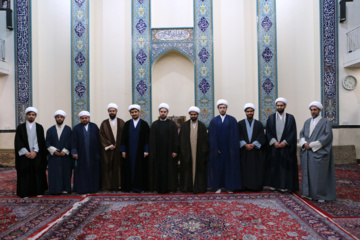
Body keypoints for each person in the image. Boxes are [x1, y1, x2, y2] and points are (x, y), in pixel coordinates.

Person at [299, 101, 336, 202]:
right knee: (308, 173)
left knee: (318, 175)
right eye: (311, 110)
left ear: (319, 110)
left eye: (315, 110)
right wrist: (304, 143)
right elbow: (301, 134)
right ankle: (307, 193)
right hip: (307, 153)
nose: (313, 111)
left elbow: (327, 137)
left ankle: (320, 195)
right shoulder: (307, 122)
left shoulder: (325, 122)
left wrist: (311, 145)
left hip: (318, 152)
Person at [266, 97, 299, 193]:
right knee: (274, 167)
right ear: (276, 106)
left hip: (286, 148)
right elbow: (268, 132)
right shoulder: (271, 118)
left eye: (281, 105)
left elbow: (293, 132)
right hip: (274, 147)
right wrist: (274, 142)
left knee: (284, 167)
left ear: (285, 106)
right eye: (278, 105)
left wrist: (285, 142)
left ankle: (284, 186)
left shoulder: (290, 118)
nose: (279, 107)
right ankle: (274, 185)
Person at [208, 99, 241, 193]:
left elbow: (235, 136)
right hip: (218, 150)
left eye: (224, 108)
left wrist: (231, 149)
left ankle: (229, 187)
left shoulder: (232, 120)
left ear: (226, 108)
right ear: (218, 109)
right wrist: (215, 148)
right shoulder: (214, 121)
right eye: (220, 108)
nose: (222, 109)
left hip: (230, 150)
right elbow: (212, 136)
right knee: (218, 168)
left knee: (229, 168)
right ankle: (218, 187)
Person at [14, 107, 48, 198]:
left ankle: (38, 191)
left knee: (37, 172)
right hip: (24, 156)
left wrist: (35, 151)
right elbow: (18, 141)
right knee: (25, 173)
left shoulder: (39, 127)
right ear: (26, 115)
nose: (31, 116)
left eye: (33, 115)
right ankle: (24, 193)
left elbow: (40, 141)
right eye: (29, 115)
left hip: (36, 155)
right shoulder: (20, 128)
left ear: (35, 116)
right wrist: (26, 152)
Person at [149, 103, 179, 193]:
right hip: (158, 152)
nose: (163, 113)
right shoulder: (154, 124)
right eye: (161, 111)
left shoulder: (172, 124)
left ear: (167, 113)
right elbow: (151, 139)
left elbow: (176, 138)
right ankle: (158, 187)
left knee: (169, 170)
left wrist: (175, 151)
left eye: (164, 112)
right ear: (159, 112)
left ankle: (170, 187)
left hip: (169, 152)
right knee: (158, 170)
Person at [179, 106, 209, 193]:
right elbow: (181, 140)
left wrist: (204, 152)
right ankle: (187, 188)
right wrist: (183, 152)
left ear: (197, 115)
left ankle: (199, 188)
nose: (193, 116)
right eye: (191, 114)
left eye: (194, 114)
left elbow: (205, 141)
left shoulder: (202, 126)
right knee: (187, 170)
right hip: (187, 153)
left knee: (199, 170)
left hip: (199, 153)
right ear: (189, 115)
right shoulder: (184, 126)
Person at [120, 104, 150, 192]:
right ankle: (129, 187)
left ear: (139, 113)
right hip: (129, 152)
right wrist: (123, 151)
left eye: (135, 112)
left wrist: (146, 150)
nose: (134, 114)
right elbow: (123, 138)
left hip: (141, 152)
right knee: (128, 169)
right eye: (132, 112)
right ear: (130, 113)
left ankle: (139, 187)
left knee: (140, 169)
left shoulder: (144, 124)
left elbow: (147, 139)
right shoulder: (127, 124)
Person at [238, 103, 267, 191]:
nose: (249, 113)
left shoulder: (259, 124)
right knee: (244, 169)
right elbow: (238, 135)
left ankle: (255, 186)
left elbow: (261, 136)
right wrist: (245, 144)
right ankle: (244, 186)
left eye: (251, 111)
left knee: (255, 169)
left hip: (255, 151)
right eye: (248, 111)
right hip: (244, 151)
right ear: (245, 112)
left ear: (254, 112)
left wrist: (253, 144)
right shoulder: (240, 124)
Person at [71, 111, 101, 194]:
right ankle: (82, 188)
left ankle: (93, 188)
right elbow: (73, 141)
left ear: (88, 118)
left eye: (86, 118)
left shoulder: (94, 126)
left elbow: (99, 140)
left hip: (93, 154)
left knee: (93, 170)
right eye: (82, 118)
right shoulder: (76, 128)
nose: (84, 119)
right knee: (82, 171)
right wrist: (74, 152)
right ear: (80, 119)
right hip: (81, 154)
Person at [46, 110, 72, 194]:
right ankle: (55, 189)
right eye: (58, 117)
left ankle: (65, 189)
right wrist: (53, 151)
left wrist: (65, 150)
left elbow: (70, 141)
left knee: (66, 172)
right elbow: (47, 142)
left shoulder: (68, 129)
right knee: (54, 173)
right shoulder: (50, 130)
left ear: (64, 118)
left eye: (61, 117)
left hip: (65, 156)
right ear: (55, 118)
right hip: (54, 156)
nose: (59, 118)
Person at [99, 103, 124, 191]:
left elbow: (124, 136)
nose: (112, 112)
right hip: (108, 150)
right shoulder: (104, 123)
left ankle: (118, 185)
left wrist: (118, 145)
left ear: (116, 111)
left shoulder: (121, 122)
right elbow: (101, 136)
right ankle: (107, 186)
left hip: (118, 149)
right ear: (108, 112)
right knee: (107, 167)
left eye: (113, 111)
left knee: (118, 167)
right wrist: (109, 145)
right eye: (110, 111)